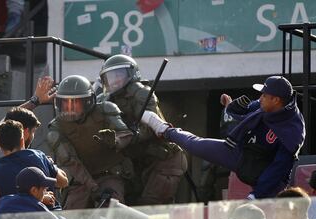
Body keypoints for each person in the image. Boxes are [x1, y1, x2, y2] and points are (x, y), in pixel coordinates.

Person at [141, 76, 305, 199]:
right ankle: (165, 130)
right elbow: (246, 110)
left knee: (274, 213)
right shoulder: (265, 105)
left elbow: (279, 168)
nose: (260, 98)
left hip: (266, 172)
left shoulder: (293, 128)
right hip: (243, 153)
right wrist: (231, 105)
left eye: (264, 95)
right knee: (196, 144)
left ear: (276, 100)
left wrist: (256, 194)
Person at [99, 54, 187, 205]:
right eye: (110, 77)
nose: (114, 81)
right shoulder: (107, 100)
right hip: (139, 163)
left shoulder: (142, 93)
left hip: (163, 160)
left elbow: (148, 129)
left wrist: (125, 137)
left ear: (131, 74)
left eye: (118, 75)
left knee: (150, 208)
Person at [0, 76, 56, 215]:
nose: (33, 137)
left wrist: (35, 100)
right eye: (33, 132)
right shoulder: (3, 154)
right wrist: (41, 197)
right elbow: (13, 186)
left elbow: (7, 119)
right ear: (25, 133)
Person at [47, 75, 134, 209]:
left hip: (110, 173)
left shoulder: (106, 110)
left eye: (74, 103)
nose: (70, 108)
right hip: (80, 180)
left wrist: (115, 141)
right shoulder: (56, 128)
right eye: (66, 103)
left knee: (113, 208)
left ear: (87, 101)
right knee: (71, 218)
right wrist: (94, 189)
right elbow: (71, 162)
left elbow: (127, 134)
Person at [0, 120, 68, 215]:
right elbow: (64, 181)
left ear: (0, 145)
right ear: (22, 140)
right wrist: (51, 164)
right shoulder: (40, 156)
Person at [0, 167, 73, 219]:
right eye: (44, 189)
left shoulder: (4, 202)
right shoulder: (40, 210)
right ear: (34, 190)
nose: (46, 192)